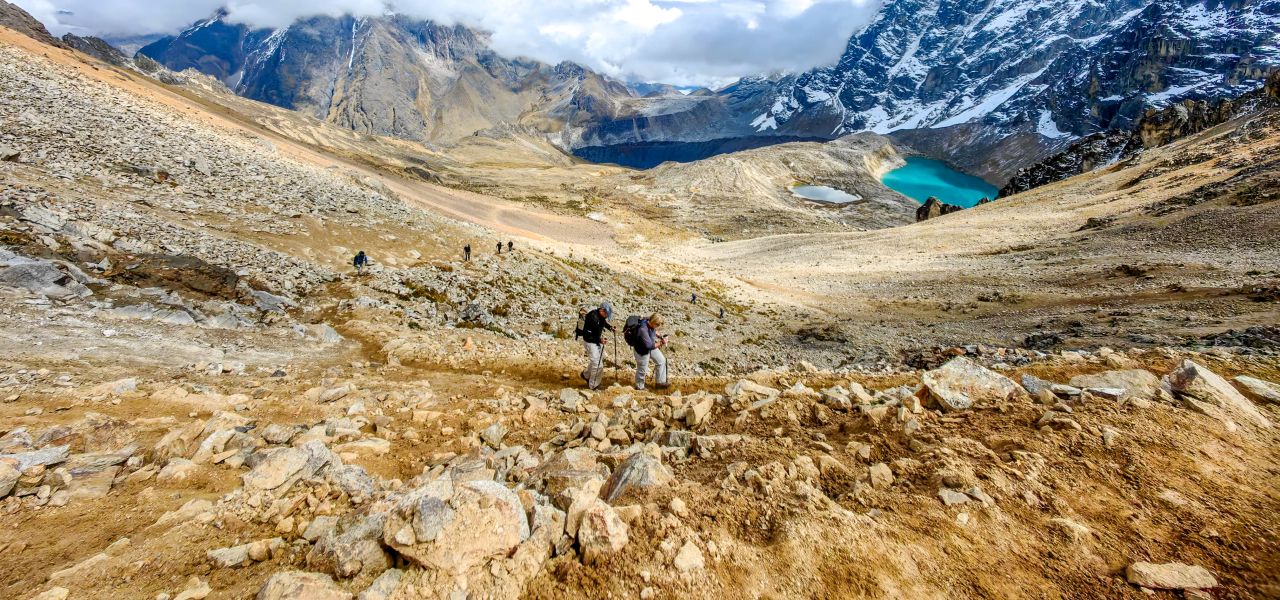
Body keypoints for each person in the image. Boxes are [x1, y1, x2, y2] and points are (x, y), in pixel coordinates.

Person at [579, 301, 614, 390]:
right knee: (598, 364)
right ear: (602, 310)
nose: (606, 316)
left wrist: (610, 327)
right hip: (590, 342)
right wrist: (600, 340)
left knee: (597, 360)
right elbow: (587, 335)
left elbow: (603, 322)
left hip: (595, 341)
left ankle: (586, 375)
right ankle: (594, 385)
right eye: (606, 314)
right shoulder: (592, 317)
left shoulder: (600, 316)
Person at [633, 313, 669, 391]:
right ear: (653, 323)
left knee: (661, 360)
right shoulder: (643, 329)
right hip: (641, 350)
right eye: (657, 325)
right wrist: (662, 342)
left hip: (650, 346)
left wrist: (660, 336)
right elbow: (649, 346)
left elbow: (654, 331)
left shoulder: (649, 321)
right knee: (642, 369)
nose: (657, 327)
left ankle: (660, 382)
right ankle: (639, 386)